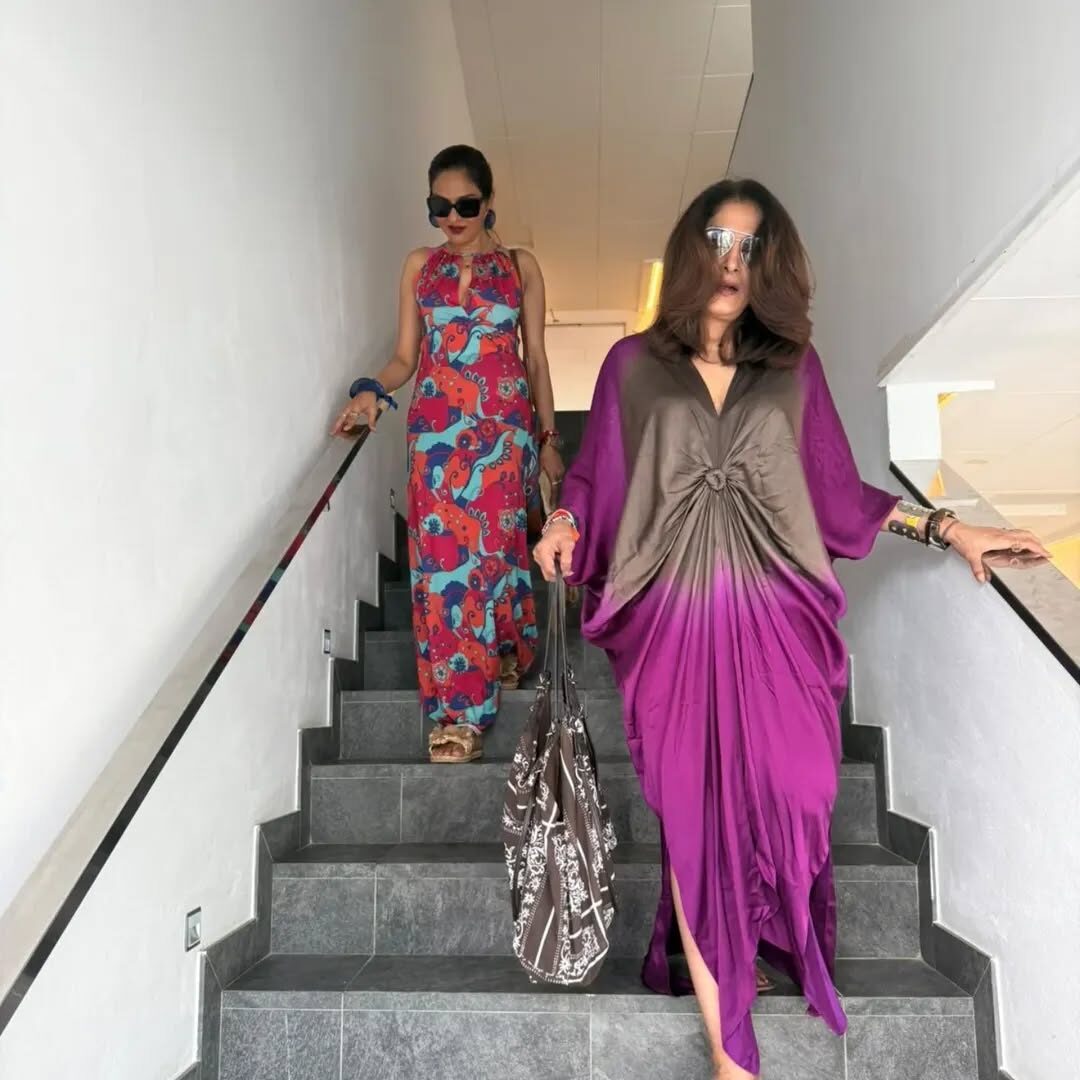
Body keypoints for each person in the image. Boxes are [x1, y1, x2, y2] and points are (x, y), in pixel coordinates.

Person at [532, 178, 1050, 1080]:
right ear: (690, 250)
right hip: (675, 622)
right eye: (718, 240)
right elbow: (596, 475)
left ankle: (759, 937)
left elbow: (840, 491)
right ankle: (729, 1054)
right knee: (696, 820)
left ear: (771, 261)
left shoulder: (792, 368)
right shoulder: (630, 365)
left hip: (777, 618)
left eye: (752, 245)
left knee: (802, 791)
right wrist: (566, 523)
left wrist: (948, 527)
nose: (733, 262)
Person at [333, 144, 564, 763]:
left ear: (489, 202)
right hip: (435, 437)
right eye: (440, 206)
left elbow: (537, 359)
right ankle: (459, 716)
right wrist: (370, 391)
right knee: (443, 567)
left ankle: (508, 645)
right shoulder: (419, 265)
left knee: (494, 552)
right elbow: (405, 357)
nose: (453, 218)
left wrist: (548, 439)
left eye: (466, 205)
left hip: (505, 432)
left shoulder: (519, 267)